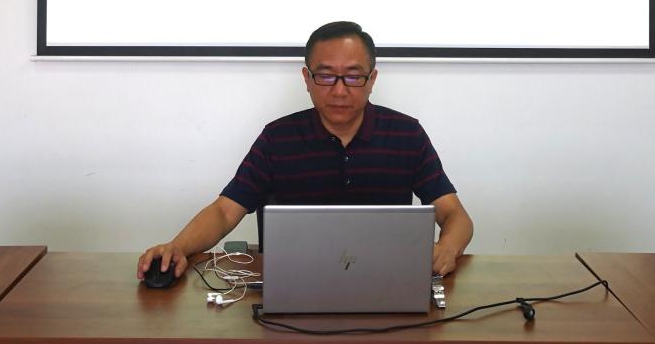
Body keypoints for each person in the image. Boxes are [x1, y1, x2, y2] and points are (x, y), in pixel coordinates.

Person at [136, 20, 473, 281]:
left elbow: (455, 215)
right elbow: (225, 211)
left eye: (353, 77)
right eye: (325, 77)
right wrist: (177, 247)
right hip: (294, 287)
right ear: (307, 79)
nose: (339, 91)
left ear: (372, 80)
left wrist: (447, 247)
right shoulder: (277, 138)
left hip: (388, 283)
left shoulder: (406, 134)